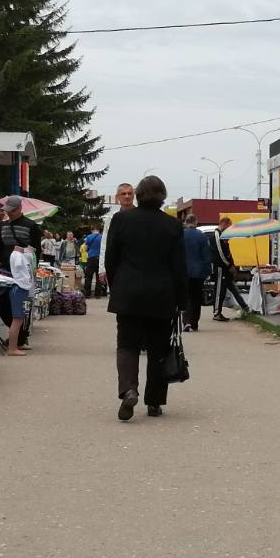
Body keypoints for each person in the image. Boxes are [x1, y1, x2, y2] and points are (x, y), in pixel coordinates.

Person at [104, 175, 187, 421]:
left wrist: (116, 286)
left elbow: (111, 259)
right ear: (162, 197)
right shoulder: (172, 226)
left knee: (127, 345)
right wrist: (182, 302)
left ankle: (129, 389)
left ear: (138, 195)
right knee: (158, 349)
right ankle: (154, 402)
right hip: (162, 296)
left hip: (128, 294)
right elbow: (179, 267)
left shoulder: (121, 220)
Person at [0, 198, 42, 349]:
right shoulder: (3, 226)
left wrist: (33, 269)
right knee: (0, 303)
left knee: (20, 306)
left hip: (22, 270)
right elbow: (0, 246)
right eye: (7, 210)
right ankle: (15, 335)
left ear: (19, 208)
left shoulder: (31, 225)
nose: (9, 213)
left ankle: (19, 339)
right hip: (4, 268)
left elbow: (37, 250)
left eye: (12, 210)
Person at [97, 182, 135, 294]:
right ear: (118, 197)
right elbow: (105, 244)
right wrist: (102, 269)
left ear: (134, 196)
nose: (127, 196)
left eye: (129, 193)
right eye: (123, 194)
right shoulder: (111, 218)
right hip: (118, 267)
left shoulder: (141, 216)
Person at [208, 216, 248, 322]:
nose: (229, 229)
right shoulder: (217, 234)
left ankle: (245, 307)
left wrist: (232, 265)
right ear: (224, 223)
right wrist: (229, 265)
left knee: (233, 288)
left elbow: (226, 252)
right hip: (221, 267)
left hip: (226, 268)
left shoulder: (223, 236)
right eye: (229, 226)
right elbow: (220, 252)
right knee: (219, 291)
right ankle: (217, 312)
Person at [181, 214, 211, 331]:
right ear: (196, 222)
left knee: (186, 296)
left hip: (184, 271)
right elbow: (206, 256)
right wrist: (208, 271)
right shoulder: (202, 237)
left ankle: (186, 321)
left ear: (185, 222)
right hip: (199, 272)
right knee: (196, 297)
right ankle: (194, 322)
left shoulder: (180, 235)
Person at [6, 236, 34, 356]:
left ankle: (15, 345)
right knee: (17, 318)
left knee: (20, 317)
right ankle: (12, 348)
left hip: (22, 287)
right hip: (19, 287)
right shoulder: (17, 255)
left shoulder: (19, 255)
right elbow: (19, 268)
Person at [83, 223, 103, 296]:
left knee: (88, 276)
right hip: (99, 258)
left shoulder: (89, 237)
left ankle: (87, 293)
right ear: (98, 230)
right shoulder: (102, 237)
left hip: (91, 258)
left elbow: (85, 248)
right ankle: (98, 294)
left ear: (92, 230)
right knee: (99, 276)